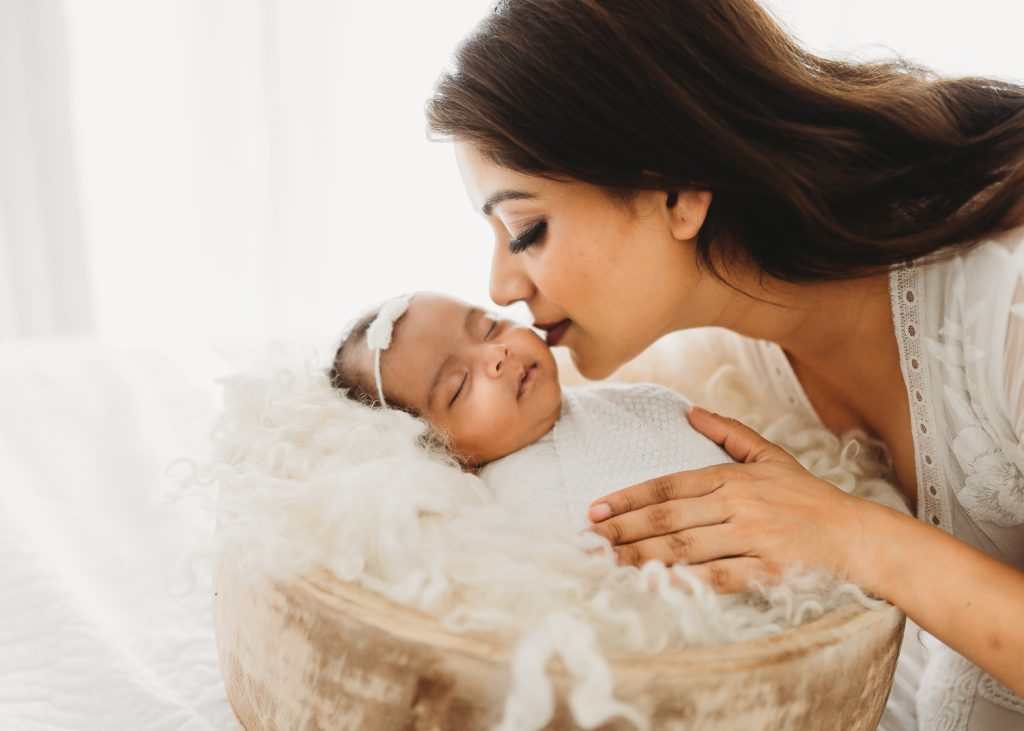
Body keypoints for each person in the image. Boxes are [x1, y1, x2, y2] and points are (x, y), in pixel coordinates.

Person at [424, 0, 1024, 728]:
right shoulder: (710, 375)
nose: (501, 286)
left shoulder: (1005, 305)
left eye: (527, 229)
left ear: (677, 189)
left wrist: (856, 536)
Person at [328, 291, 733, 530]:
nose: (497, 354)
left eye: (489, 327)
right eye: (460, 385)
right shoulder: (505, 513)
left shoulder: (640, 399)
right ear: (438, 450)